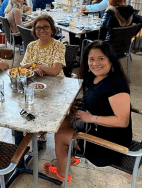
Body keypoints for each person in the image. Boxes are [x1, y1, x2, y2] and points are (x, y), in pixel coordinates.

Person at [43, 40, 132, 182]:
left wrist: (91, 118)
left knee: (59, 135)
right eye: (91, 59)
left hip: (110, 145)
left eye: (101, 58)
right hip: (99, 130)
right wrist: (76, 106)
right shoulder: (96, 77)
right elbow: (96, 100)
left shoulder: (116, 84)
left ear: (111, 59)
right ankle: (68, 158)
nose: (95, 63)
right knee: (64, 121)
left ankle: (61, 174)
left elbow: (122, 121)